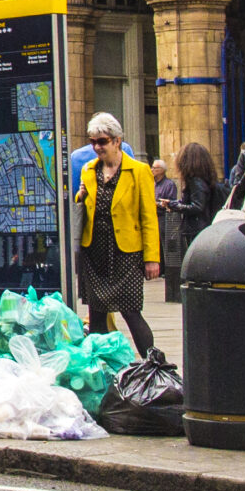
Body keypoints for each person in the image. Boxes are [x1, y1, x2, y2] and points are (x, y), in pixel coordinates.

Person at [73, 112, 160, 354]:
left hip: (126, 253)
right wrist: (81, 195)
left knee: (131, 312)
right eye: (92, 142)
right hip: (95, 251)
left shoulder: (139, 171)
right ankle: (102, 370)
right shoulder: (88, 170)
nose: (96, 147)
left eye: (101, 141)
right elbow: (83, 206)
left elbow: (149, 218)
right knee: (97, 315)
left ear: (116, 140)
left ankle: (154, 366)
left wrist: (152, 258)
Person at [173, 141, 224, 261]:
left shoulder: (195, 181)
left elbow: (197, 206)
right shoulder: (205, 180)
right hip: (203, 228)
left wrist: (175, 205)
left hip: (196, 229)